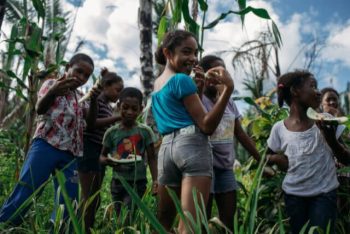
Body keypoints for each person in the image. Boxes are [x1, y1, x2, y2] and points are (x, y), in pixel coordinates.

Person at [0, 53, 97, 227]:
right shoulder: (51, 84)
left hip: (70, 154)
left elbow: (89, 124)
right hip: (46, 145)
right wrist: (53, 91)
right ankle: (5, 224)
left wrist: (94, 98)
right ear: (68, 67)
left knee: (69, 199)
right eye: (78, 71)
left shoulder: (81, 97)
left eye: (86, 76)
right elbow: (40, 108)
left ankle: (59, 229)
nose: (81, 78)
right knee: (28, 188)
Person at [152, 29, 234, 233]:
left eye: (195, 52)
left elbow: (180, 113)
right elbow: (206, 125)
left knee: (163, 222)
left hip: (166, 151)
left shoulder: (157, 84)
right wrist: (228, 90)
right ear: (168, 53)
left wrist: (197, 88)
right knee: (190, 225)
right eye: (186, 52)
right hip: (192, 147)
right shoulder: (181, 80)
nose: (193, 58)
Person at [267, 70, 350, 234]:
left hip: (324, 195)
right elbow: (265, 157)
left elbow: (347, 159)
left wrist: (331, 139)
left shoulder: (326, 120)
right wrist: (276, 158)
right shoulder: (279, 129)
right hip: (293, 196)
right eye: (312, 86)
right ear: (295, 91)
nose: (318, 92)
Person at [199, 55, 260, 231]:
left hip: (225, 166)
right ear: (203, 74)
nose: (219, 77)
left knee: (229, 219)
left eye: (223, 72)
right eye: (214, 72)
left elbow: (239, 133)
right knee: (202, 218)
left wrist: (260, 158)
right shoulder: (197, 98)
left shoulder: (229, 101)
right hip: (204, 166)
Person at [99, 87, 158, 223]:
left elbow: (152, 158)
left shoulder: (145, 131)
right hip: (117, 182)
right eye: (125, 107)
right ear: (119, 106)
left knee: (128, 213)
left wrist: (155, 180)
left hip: (138, 182)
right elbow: (101, 157)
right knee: (120, 215)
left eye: (134, 108)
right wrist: (107, 160)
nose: (129, 112)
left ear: (141, 109)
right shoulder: (112, 132)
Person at [78, 68, 124, 233]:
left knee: (95, 198)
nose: (119, 95)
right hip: (89, 149)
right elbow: (92, 124)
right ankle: (79, 228)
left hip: (99, 152)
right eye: (117, 90)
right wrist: (118, 117)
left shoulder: (107, 107)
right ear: (105, 86)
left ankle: (86, 228)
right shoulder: (92, 100)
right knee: (88, 197)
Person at [320, 87, 350, 232]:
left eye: (334, 99)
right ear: (322, 104)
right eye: (328, 99)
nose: (332, 102)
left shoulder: (346, 123)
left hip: (345, 178)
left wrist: (340, 121)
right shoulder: (316, 123)